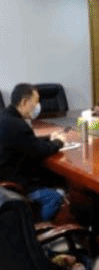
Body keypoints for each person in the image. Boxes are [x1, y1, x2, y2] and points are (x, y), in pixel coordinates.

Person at [0, 83, 67, 221]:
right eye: (36, 102)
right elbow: (38, 151)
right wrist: (58, 143)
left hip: (4, 177)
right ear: (24, 102)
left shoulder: (5, 117)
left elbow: (27, 142)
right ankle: (36, 227)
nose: (38, 106)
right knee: (55, 197)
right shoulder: (18, 125)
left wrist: (48, 139)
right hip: (16, 186)